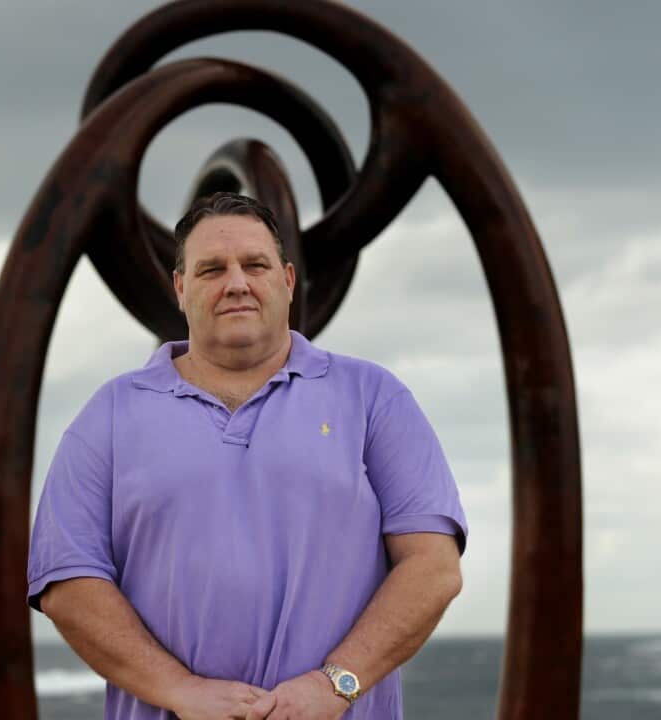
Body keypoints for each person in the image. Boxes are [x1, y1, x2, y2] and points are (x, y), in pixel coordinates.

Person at [27, 192, 468, 720]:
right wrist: (180, 690)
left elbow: (432, 567)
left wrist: (334, 686)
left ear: (285, 280)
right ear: (180, 287)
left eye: (254, 265)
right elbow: (68, 582)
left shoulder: (374, 398)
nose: (236, 282)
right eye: (212, 269)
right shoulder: (111, 415)